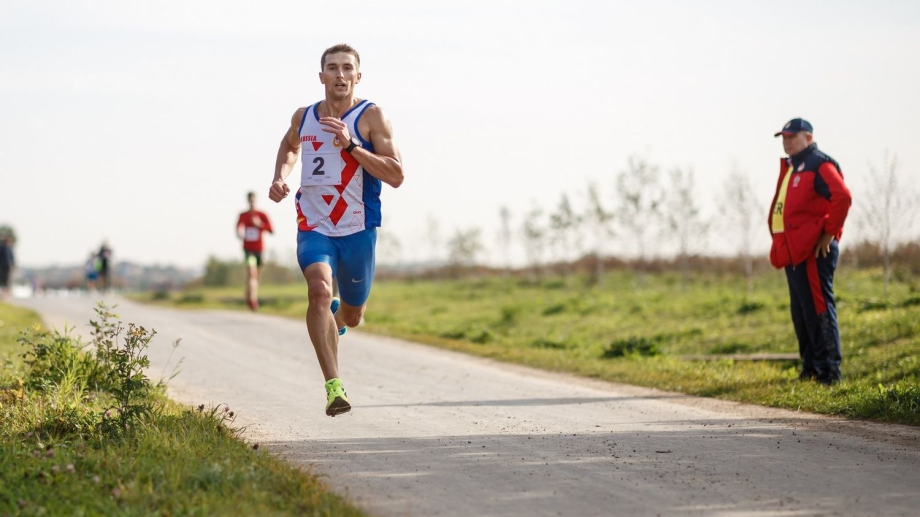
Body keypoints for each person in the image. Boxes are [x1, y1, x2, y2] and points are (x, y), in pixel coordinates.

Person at [268, 43, 404, 416]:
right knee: (318, 291)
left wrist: (352, 145)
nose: (339, 75)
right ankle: (334, 387)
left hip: (358, 229)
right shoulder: (304, 116)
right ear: (322, 76)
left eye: (347, 68)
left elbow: (396, 175)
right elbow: (289, 146)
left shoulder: (371, 116)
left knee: (353, 315)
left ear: (357, 76)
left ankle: (338, 318)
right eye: (332, 68)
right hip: (314, 226)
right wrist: (280, 177)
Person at [768, 118, 852, 385]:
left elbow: (842, 197)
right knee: (801, 313)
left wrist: (829, 234)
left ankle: (829, 372)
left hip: (814, 251)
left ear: (808, 138)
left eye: (792, 136)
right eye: (784, 137)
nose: (787, 141)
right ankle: (811, 369)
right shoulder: (792, 167)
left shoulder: (819, 164)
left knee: (819, 310)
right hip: (793, 252)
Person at [237, 191, 274, 311]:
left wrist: (259, 225)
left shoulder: (262, 214)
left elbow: (271, 230)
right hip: (248, 249)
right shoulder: (243, 215)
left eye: (253, 200)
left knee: (256, 276)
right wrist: (239, 233)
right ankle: (253, 301)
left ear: (255, 200)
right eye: (250, 200)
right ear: (248, 200)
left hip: (259, 249)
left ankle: (249, 294)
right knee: (251, 273)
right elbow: (238, 227)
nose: (251, 202)